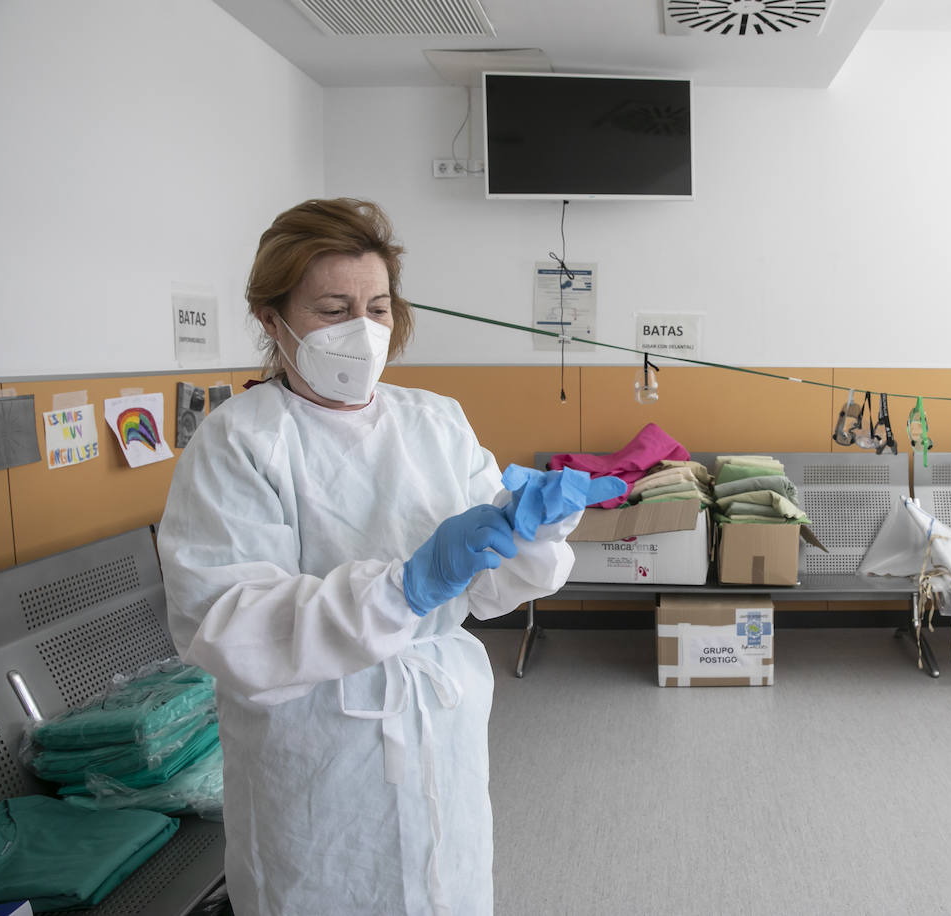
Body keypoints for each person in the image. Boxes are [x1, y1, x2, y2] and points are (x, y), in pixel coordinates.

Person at [157, 198, 619, 915]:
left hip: (440, 726)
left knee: (445, 886)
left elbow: (490, 589)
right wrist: (403, 589)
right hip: (315, 752)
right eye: (332, 308)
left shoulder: (433, 420)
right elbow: (229, 625)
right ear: (270, 320)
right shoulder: (239, 441)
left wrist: (533, 532)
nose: (361, 332)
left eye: (376, 307)